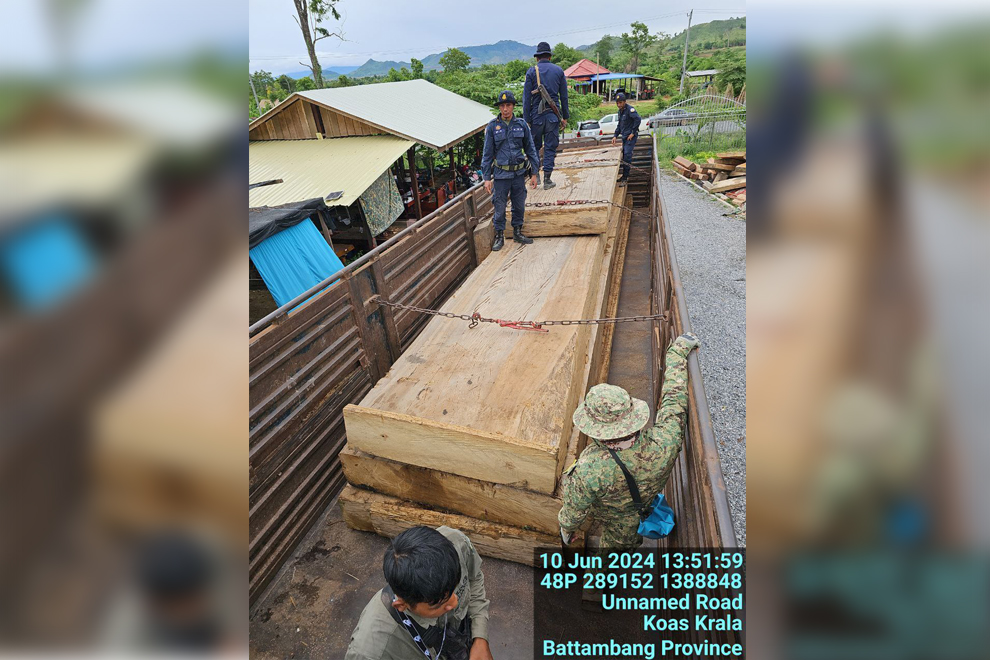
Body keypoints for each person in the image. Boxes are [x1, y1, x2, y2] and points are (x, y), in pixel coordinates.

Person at [558, 333, 700, 550]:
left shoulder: (589, 470)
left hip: (610, 514)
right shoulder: (665, 442)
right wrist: (678, 350)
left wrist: (567, 530)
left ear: (597, 431)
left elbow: (574, 510)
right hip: (633, 518)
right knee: (614, 554)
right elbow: (674, 399)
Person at [345, 526, 492, 660]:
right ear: (402, 605)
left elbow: (474, 578)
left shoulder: (455, 543)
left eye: (454, 590)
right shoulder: (370, 652)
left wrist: (480, 637)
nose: (454, 602)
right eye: (441, 604)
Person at [481, 90, 539, 252]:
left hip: (519, 175)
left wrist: (534, 173)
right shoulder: (492, 127)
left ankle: (517, 232)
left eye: (508, 105)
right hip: (500, 175)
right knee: (499, 207)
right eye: (502, 106)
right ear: (499, 108)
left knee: (519, 205)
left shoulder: (521, 125)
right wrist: (486, 177)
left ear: (513, 106)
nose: (505, 109)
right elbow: (487, 154)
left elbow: (531, 149)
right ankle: (499, 236)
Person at [523, 42, 569, 190]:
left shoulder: (531, 72)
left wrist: (527, 120)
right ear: (549, 56)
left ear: (537, 58)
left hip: (536, 117)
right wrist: (565, 116)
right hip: (553, 117)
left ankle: (536, 176)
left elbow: (526, 99)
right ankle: (548, 179)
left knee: (534, 148)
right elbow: (564, 97)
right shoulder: (559, 71)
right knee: (550, 148)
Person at [609, 92, 641, 186]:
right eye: (617, 103)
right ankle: (623, 176)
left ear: (624, 102)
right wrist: (615, 135)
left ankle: (625, 178)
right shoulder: (620, 112)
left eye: (620, 103)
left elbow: (638, 119)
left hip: (630, 138)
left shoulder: (630, 110)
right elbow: (619, 125)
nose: (619, 105)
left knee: (627, 155)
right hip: (624, 137)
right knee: (624, 156)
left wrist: (633, 132)